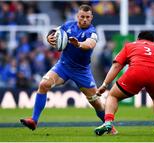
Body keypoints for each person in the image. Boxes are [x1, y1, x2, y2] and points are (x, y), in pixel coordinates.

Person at [20, 4, 117, 135]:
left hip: (82, 72)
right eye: (82, 16)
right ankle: (34, 120)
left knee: (97, 104)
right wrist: (49, 37)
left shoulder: (91, 32)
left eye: (87, 17)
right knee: (44, 84)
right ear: (77, 16)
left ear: (91, 18)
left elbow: (90, 44)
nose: (84, 19)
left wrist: (79, 44)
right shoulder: (68, 25)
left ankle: (109, 126)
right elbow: (53, 31)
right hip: (63, 66)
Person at [94, 31, 154, 136]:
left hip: (136, 72)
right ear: (152, 41)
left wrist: (104, 85)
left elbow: (117, 66)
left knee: (113, 96)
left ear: (138, 39)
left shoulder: (130, 45)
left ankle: (108, 122)